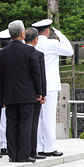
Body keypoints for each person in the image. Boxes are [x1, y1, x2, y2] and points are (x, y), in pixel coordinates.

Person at [0, 20, 42, 163]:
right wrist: (39, 91)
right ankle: (23, 155)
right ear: (22, 33)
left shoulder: (3, 52)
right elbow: (36, 73)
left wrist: (2, 95)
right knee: (25, 124)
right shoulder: (29, 50)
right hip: (27, 93)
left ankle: (12, 154)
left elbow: (0, 76)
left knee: (11, 124)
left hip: (10, 94)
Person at [33, 19, 73, 157]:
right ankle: (49, 147)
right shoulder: (53, 43)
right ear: (48, 31)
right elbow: (69, 50)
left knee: (37, 118)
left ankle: (37, 147)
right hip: (50, 86)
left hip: (35, 85)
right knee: (48, 118)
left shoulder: (33, 44)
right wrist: (60, 35)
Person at [24, 28, 47, 160]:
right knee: (33, 124)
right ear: (36, 39)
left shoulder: (17, 52)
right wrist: (42, 93)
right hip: (33, 94)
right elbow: (40, 76)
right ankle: (32, 150)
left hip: (18, 93)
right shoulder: (38, 54)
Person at [0, 29, 11, 156]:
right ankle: (9, 144)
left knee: (1, 120)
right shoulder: (13, 53)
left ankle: (3, 145)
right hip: (11, 91)